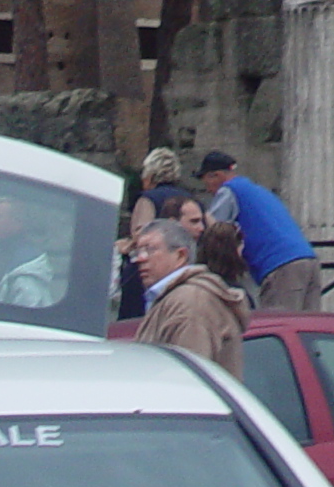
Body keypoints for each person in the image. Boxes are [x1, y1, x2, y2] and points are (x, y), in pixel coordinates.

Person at [197, 152, 320, 310]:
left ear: (217, 175)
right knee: (307, 327)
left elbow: (214, 229)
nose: (207, 189)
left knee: (277, 325)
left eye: (205, 180)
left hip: (280, 266)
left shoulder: (229, 191)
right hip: (308, 259)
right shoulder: (257, 190)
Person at [129, 218, 245, 376]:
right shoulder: (174, 298)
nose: (140, 259)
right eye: (137, 252)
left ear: (180, 255)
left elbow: (188, 380)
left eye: (150, 250)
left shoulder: (190, 302)